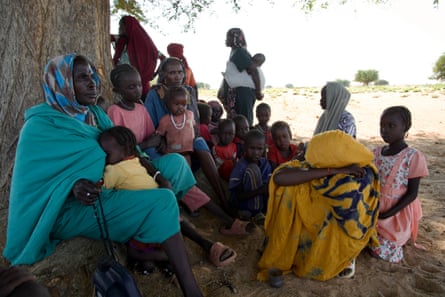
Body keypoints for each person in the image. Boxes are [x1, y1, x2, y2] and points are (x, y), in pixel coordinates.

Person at [3, 53, 202, 297]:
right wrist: (73, 187)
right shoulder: (41, 127)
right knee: (163, 201)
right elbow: (35, 187)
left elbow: (132, 150)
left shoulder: (94, 114)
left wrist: (159, 173)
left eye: (93, 76)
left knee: (176, 164)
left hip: (115, 180)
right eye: (82, 78)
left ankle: (145, 241)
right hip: (71, 208)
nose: (92, 83)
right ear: (62, 83)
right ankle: (191, 289)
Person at [108, 62, 253, 235]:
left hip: (152, 151)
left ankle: (225, 214)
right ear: (117, 90)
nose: (138, 90)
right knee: (176, 171)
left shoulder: (142, 108)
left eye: (139, 85)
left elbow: (152, 133)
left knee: (181, 164)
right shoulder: (116, 111)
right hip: (135, 159)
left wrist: (158, 142)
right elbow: (122, 148)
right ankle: (217, 220)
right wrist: (154, 143)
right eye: (131, 87)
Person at [98, 126, 238, 269]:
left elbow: (101, 187)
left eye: (107, 153)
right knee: (167, 213)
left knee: (145, 240)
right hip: (151, 203)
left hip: (152, 205)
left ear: (124, 149)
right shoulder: (132, 160)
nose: (103, 156)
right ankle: (193, 247)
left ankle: (166, 255)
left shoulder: (114, 168)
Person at [257, 130, 380, 282]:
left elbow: (352, 217)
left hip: (340, 234)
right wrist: (332, 170)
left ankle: (347, 257)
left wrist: (340, 172)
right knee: (290, 189)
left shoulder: (361, 175)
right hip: (312, 228)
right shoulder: (310, 162)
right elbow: (280, 177)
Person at [144, 57, 228, 208]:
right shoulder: (155, 94)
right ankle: (187, 201)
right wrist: (164, 140)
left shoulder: (188, 91)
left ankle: (222, 198)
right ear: (162, 75)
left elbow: (194, 119)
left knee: (200, 143)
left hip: (187, 136)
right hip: (165, 138)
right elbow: (151, 125)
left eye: (180, 72)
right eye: (171, 73)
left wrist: (189, 136)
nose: (177, 76)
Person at [369, 106, 429, 263]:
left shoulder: (413, 156)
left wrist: (387, 214)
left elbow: (412, 194)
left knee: (380, 251)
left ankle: (399, 237)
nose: (385, 130)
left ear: (405, 127)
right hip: (375, 208)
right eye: (382, 125)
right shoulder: (376, 153)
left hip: (397, 214)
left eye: (391, 126)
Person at [111, 15, 164, 99]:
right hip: (125, 86)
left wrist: (152, 75)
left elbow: (163, 58)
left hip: (139, 87)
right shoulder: (123, 41)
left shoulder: (144, 43)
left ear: (127, 26)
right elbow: (110, 37)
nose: (119, 28)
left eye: (121, 25)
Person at [229, 129, 271, 223]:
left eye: (259, 149)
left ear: (264, 148)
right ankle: (255, 213)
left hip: (261, 202)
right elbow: (238, 196)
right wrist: (260, 190)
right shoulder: (241, 166)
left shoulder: (265, 164)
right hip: (243, 204)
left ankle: (263, 212)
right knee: (253, 169)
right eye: (252, 148)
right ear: (244, 147)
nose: (256, 152)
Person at [223, 28, 264, 126]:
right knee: (239, 121)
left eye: (228, 37)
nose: (226, 40)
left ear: (235, 38)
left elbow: (253, 71)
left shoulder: (239, 52)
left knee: (243, 121)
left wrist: (258, 92)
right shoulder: (236, 51)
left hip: (243, 93)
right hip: (240, 92)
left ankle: (246, 140)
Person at [157, 86, 195, 165]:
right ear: (168, 105)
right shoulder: (165, 120)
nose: (181, 107)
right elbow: (159, 134)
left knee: (187, 169)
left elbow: (193, 127)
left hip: (187, 152)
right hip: (172, 153)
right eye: (177, 104)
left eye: (184, 104)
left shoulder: (190, 115)